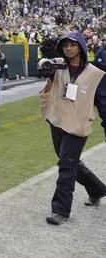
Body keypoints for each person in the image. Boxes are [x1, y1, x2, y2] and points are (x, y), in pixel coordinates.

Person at [39, 32, 106, 225]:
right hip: (57, 122)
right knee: (69, 161)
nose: (69, 48)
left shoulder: (96, 74)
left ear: (82, 47)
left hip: (77, 126)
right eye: (66, 45)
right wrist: (47, 66)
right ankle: (97, 189)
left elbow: (103, 102)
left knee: (66, 166)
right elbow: (45, 74)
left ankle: (60, 210)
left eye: (73, 45)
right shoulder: (58, 67)